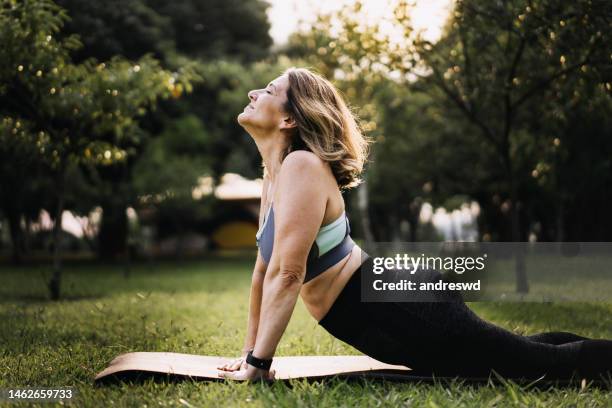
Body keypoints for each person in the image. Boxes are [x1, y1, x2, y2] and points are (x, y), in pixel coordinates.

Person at [217, 67, 612, 382]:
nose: (253, 93)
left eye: (268, 90)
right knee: (514, 354)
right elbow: (262, 273)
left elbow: (289, 273)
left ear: (289, 118)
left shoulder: (301, 165)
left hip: (387, 300)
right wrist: (248, 355)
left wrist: (260, 362)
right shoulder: (274, 177)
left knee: (531, 364)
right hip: (372, 309)